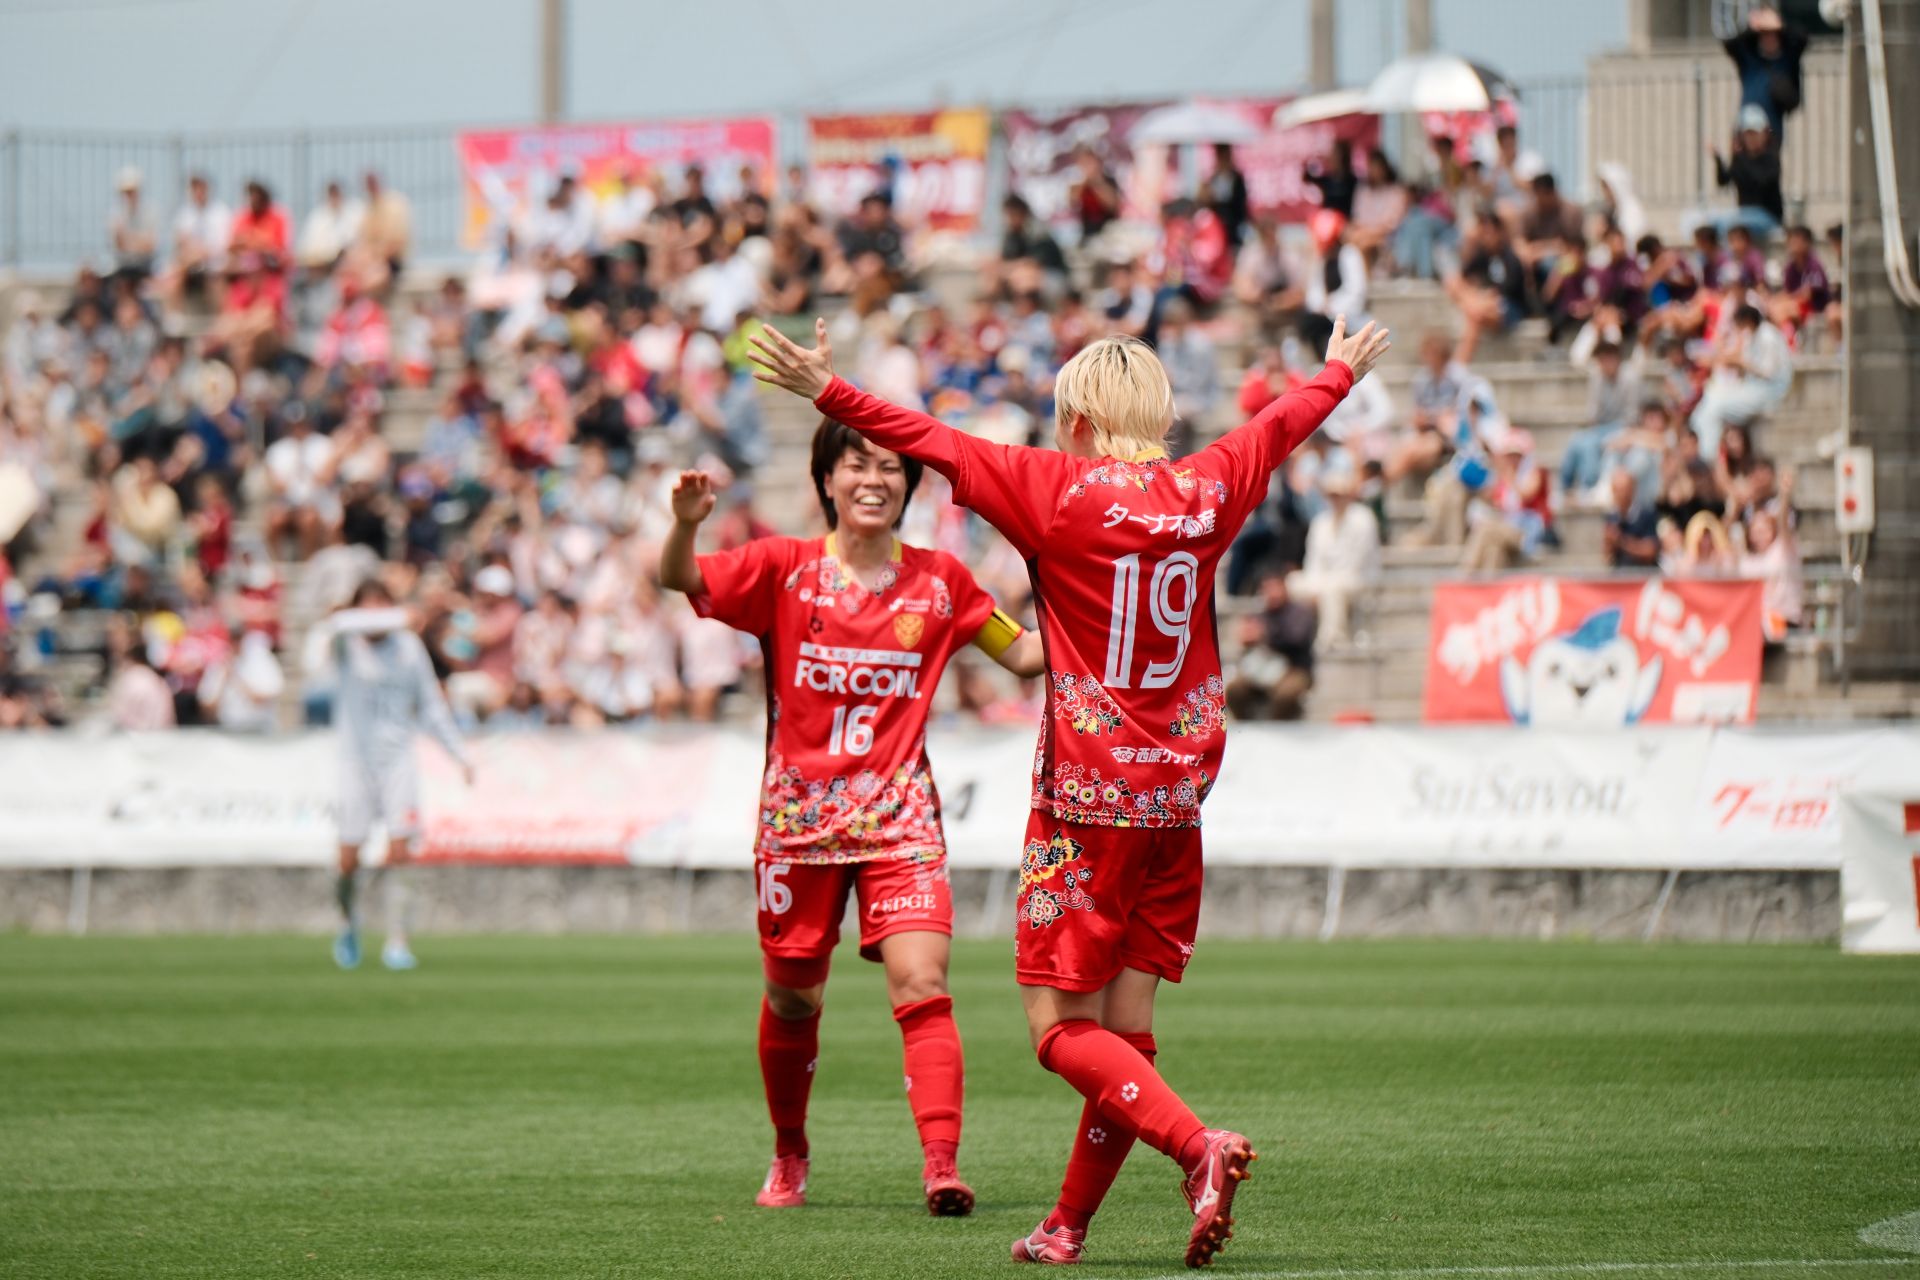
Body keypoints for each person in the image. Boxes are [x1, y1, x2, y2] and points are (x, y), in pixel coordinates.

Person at [748, 311, 1391, 1268]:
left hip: (1087, 808)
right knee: (1128, 1034)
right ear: (1159, 416)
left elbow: (933, 441)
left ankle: (1197, 1147)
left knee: (1058, 1031)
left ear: (1080, 419)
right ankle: (1067, 1225)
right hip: (1177, 805)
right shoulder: (1208, 486)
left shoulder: (1056, 492)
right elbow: (1279, 427)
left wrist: (827, 393)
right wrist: (1335, 375)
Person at [658, 418, 1045, 1217]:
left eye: (891, 467)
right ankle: (789, 1152)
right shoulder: (781, 569)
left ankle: (942, 1166)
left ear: (909, 485)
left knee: (923, 983)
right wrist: (686, 525)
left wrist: (1105, 600)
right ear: (827, 481)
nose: (875, 479)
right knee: (792, 999)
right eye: (856, 464)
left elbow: (1024, 654)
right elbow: (679, 578)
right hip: (798, 827)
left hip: (902, 822)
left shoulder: (943, 583)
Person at [323, 579, 475, 972]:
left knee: (401, 853)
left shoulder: (408, 648)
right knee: (347, 859)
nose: (377, 615)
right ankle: (348, 924)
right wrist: (402, 615)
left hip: (397, 761)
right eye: (369, 606)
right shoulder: (346, 643)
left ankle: (397, 941)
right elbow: (336, 624)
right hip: (354, 762)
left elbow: (431, 705)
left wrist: (460, 755)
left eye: (383, 604)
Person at [1289, 470, 1380, 649]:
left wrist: (1323, 583)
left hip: (1360, 578)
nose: (1336, 499)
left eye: (1339, 494)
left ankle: (1332, 640)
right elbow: (1313, 563)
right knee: (1293, 582)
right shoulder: (1320, 523)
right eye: (1332, 495)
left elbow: (1358, 563)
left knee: (1332, 589)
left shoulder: (1363, 519)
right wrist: (1317, 583)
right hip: (1326, 580)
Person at [1690, 304, 1792, 457]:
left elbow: (1768, 372)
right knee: (1708, 401)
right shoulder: (1755, 335)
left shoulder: (1768, 336)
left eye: (1739, 323)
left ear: (1748, 321)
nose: (1739, 328)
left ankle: (1706, 458)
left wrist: (1740, 363)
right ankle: (1698, 453)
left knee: (1715, 408)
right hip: (1755, 388)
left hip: (1770, 392)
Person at [1723, 4, 1808, 143]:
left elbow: (1803, 39)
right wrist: (1753, 27)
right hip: (1746, 128)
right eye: (1764, 34)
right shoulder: (1750, 58)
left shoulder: (1787, 58)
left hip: (1771, 130)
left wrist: (1779, 24)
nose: (1769, 39)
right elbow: (1730, 44)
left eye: (1772, 34)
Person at [1711, 105, 1784, 235]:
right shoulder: (1740, 160)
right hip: (1744, 214)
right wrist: (1718, 159)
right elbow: (1723, 181)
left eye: (1755, 133)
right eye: (1747, 134)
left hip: (1767, 215)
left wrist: (1741, 158)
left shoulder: (1771, 158)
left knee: (1732, 227)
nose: (1751, 138)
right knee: (1713, 225)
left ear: (1765, 134)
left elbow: (1761, 182)